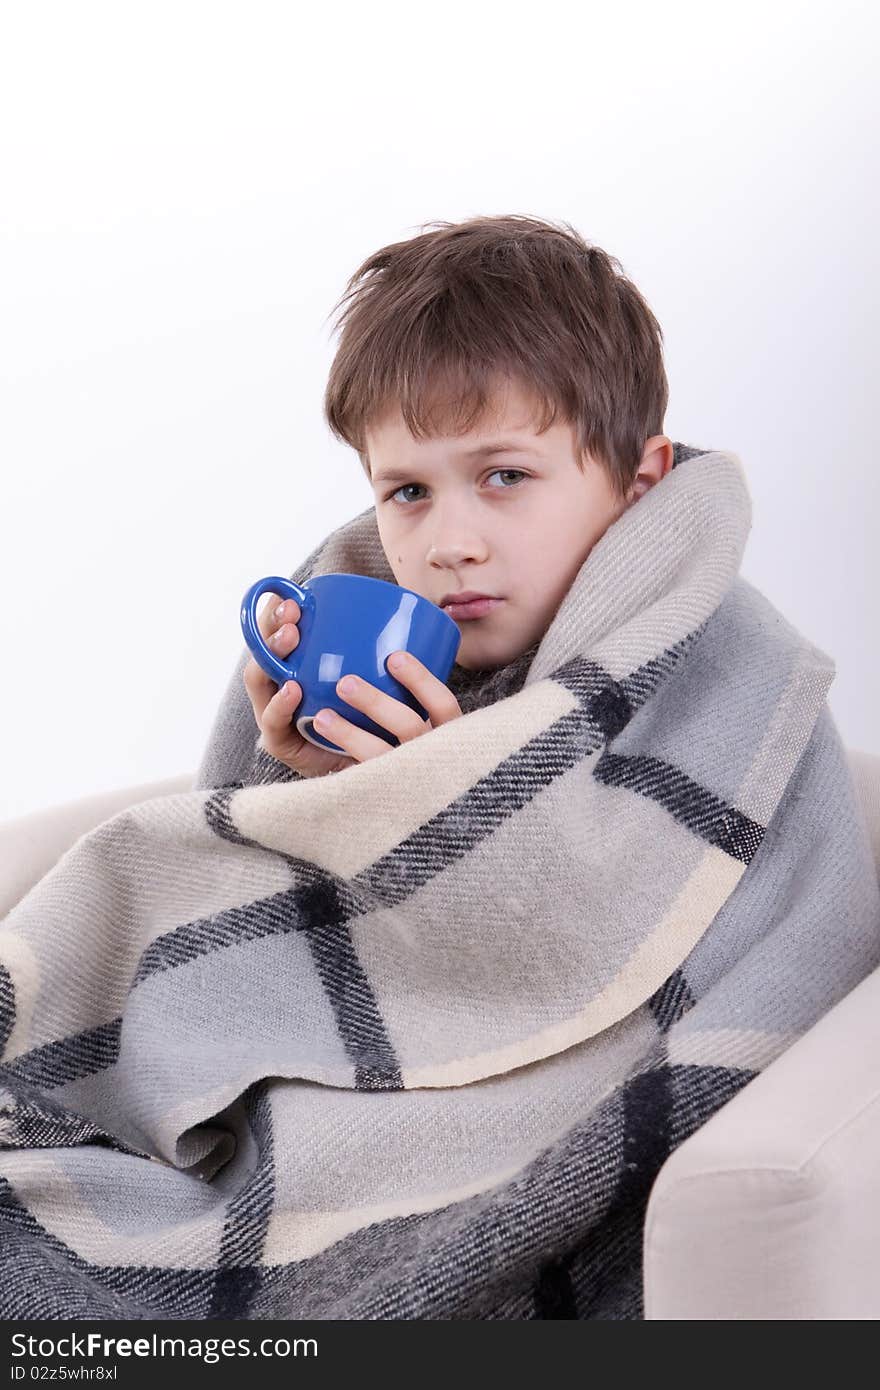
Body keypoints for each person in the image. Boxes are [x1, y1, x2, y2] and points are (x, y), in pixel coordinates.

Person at [198, 213, 678, 789]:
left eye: (505, 476)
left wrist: (443, 808)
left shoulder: (739, 695)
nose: (448, 547)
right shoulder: (332, 605)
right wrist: (322, 788)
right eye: (408, 491)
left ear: (638, 487)